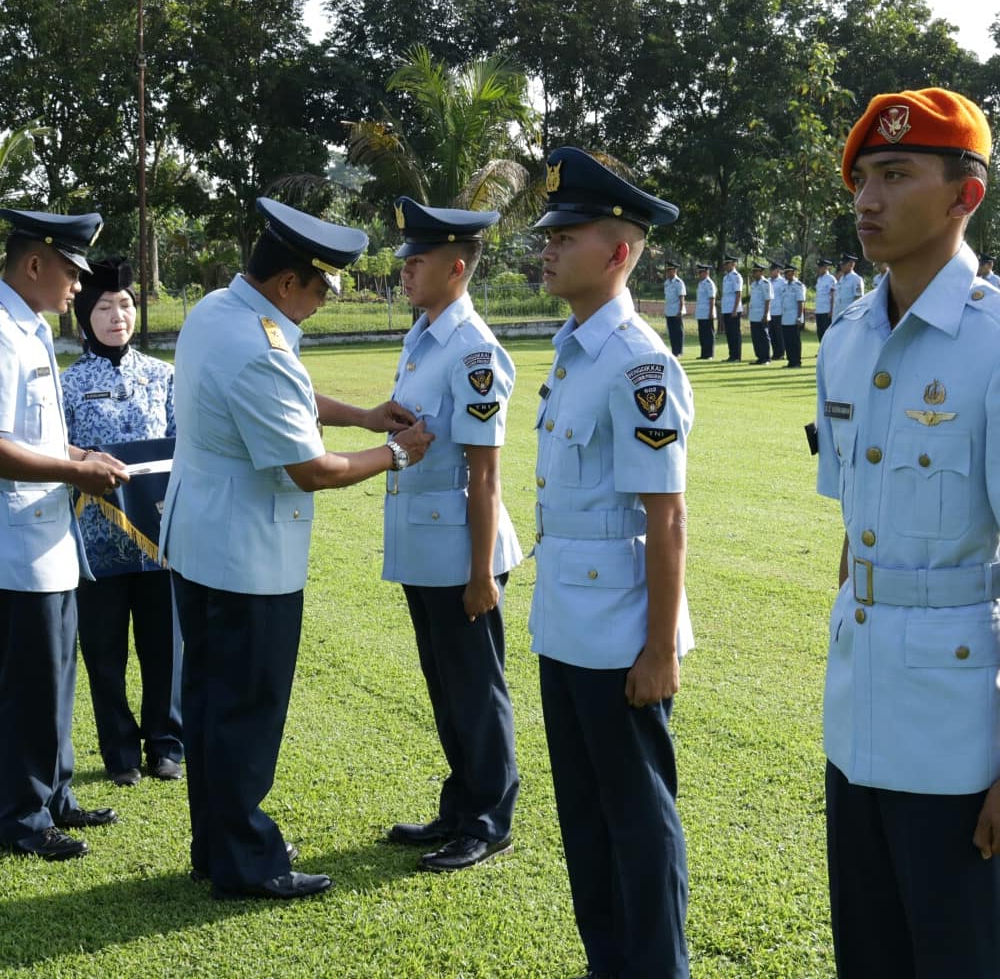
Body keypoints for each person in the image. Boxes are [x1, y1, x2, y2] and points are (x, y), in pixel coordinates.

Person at [159, 197, 434, 900]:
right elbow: (312, 470)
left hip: (200, 541)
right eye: (320, 289)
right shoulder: (258, 348)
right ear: (288, 284)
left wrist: (362, 413)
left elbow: (292, 393)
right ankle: (247, 862)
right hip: (246, 559)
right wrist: (394, 451)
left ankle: (216, 847)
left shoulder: (218, 311)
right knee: (246, 713)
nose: (320, 303)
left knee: (214, 706)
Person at [816, 87, 1000, 977]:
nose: (867, 200)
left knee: (959, 952)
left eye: (895, 175)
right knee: (871, 952)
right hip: (857, 711)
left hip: (962, 729)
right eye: (861, 178)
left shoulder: (995, 343)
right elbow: (856, 533)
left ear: (967, 195)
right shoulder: (845, 339)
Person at [532, 146, 695, 979]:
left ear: (620, 252)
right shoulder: (572, 350)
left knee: (637, 816)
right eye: (548, 235)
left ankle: (658, 967)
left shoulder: (639, 364)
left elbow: (666, 518)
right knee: (585, 818)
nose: (548, 248)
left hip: (621, 629)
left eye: (567, 235)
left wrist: (660, 648)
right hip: (564, 618)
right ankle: (610, 963)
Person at [383, 197, 523, 872]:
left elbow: (484, 473)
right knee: (445, 684)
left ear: (457, 269)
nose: (405, 269)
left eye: (418, 260)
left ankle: (489, 818)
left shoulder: (473, 352)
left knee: (475, 687)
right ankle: (459, 803)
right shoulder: (424, 334)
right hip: (424, 543)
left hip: (463, 549)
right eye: (406, 257)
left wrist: (479, 574)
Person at [0, 209, 129, 861]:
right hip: (16, 545)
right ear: (33, 264)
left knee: (56, 676)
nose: (79, 285)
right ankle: (24, 818)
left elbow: (37, 435)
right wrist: (76, 468)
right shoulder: (0, 331)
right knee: (28, 685)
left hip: (50, 539)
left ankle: (56, 795)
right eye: (73, 271)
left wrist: (79, 454)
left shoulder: (31, 328)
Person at [61, 257, 183, 788]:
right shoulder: (66, 384)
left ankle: (165, 743)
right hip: (95, 541)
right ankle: (119, 751)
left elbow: (183, 446)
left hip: (160, 541)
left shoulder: (164, 376)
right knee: (104, 651)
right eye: (106, 306)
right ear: (86, 314)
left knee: (165, 647)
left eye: (126, 304)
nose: (118, 316)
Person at [779, 262, 806, 368]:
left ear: (793, 273)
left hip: (794, 317)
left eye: (788, 273)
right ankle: (790, 361)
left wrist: (799, 317)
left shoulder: (798, 285)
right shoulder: (785, 286)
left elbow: (800, 302)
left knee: (795, 341)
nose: (786, 275)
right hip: (785, 317)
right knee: (787, 341)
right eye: (785, 273)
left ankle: (797, 362)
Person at [747, 261, 773, 364]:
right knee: (755, 338)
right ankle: (759, 357)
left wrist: (766, 314)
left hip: (762, 314)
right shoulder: (753, 284)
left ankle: (766, 358)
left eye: (756, 271)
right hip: (754, 314)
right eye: (753, 271)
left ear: (761, 272)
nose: (754, 273)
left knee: (764, 336)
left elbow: (768, 300)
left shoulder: (765, 283)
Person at [720, 254, 743, 362]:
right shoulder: (726, 277)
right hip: (726, 308)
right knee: (729, 333)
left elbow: (738, 294)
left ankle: (737, 356)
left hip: (734, 309)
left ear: (733, 264)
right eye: (725, 264)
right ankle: (731, 355)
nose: (725, 266)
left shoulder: (736, 276)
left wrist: (734, 310)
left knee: (735, 333)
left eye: (727, 263)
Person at [663, 262, 686, 357]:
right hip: (669, 310)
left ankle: (679, 351)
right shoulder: (666, 283)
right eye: (667, 270)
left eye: (670, 270)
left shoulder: (678, 282)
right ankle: (674, 351)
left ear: (675, 271)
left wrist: (680, 310)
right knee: (671, 332)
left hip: (677, 310)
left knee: (678, 332)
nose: (668, 272)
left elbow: (681, 298)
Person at [694, 262, 716, 359]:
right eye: (699, 272)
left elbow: (712, 298)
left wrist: (711, 312)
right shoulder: (701, 283)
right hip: (701, 313)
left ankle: (709, 354)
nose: (699, 274)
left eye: (701, 272)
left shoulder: (709, 283)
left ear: (706, 272)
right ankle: (704, 353)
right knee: (702, 334)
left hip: (707, 312)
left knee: (708, 334)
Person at [833, 252, 864, 320]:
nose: (841, 266)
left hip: (848, 316)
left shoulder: (856, 279)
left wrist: (853, 316)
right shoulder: (842, 278)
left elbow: (858, 299)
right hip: (837, 314)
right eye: (841, 264)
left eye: (844, 264)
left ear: (851, 264)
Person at [766, 260, 786, 360]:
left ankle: (781, 353)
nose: (771, 272)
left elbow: (784, 297)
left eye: (772, 270)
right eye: (770, 270)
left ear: (778, 271)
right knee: (772, 334)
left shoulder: (783, 282)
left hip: (779, 311)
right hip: (770, 311)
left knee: (779, 334)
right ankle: (775, 353)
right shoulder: (768, 281)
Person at [814, 257, 836, 343]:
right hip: (819, 310)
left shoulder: (831, 279)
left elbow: (833, 295)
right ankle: (821, 349)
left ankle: (828, 350)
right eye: (818, 267)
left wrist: (831, 310)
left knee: (827, 332)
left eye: (820, 267)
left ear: (826, 268)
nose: (818, 269)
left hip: (826, 310)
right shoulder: (819, 279)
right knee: (820, 331)